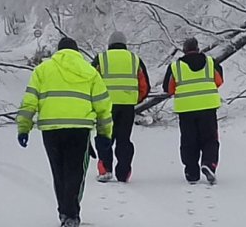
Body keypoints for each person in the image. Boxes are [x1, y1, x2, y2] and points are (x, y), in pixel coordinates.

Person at [16, 37, 114, 227]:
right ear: (77, 51)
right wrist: (104, 134)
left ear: (58, 51)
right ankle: (71, 216)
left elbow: (29, 101)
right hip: (79, 129)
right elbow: (103, 106)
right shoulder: (89, 72)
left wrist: (24, 127)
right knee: (75, 173)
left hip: (51, 130)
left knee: (58, 172)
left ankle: (64, 212)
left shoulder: (43, 70)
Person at [162, 37, 223, 185]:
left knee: (189, 141)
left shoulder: (175, 67)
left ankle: (191, 172)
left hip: (186, 110)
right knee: (210, 139)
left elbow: (168, 88)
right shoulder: (211, 63)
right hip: (208, 108)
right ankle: (209, 164)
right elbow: (219, 80)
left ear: (184, 50)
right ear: (198, 48)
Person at [91, 31, 150, 183]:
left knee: (104, 138)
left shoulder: (101, 58)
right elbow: (144, 85)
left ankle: (105, 170)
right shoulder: (134, 59)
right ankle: (123, 172)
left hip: (105, 106)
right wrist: (134, 99)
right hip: (127, 107)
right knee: (124, 139)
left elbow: (90, 81)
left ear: (109, 44)